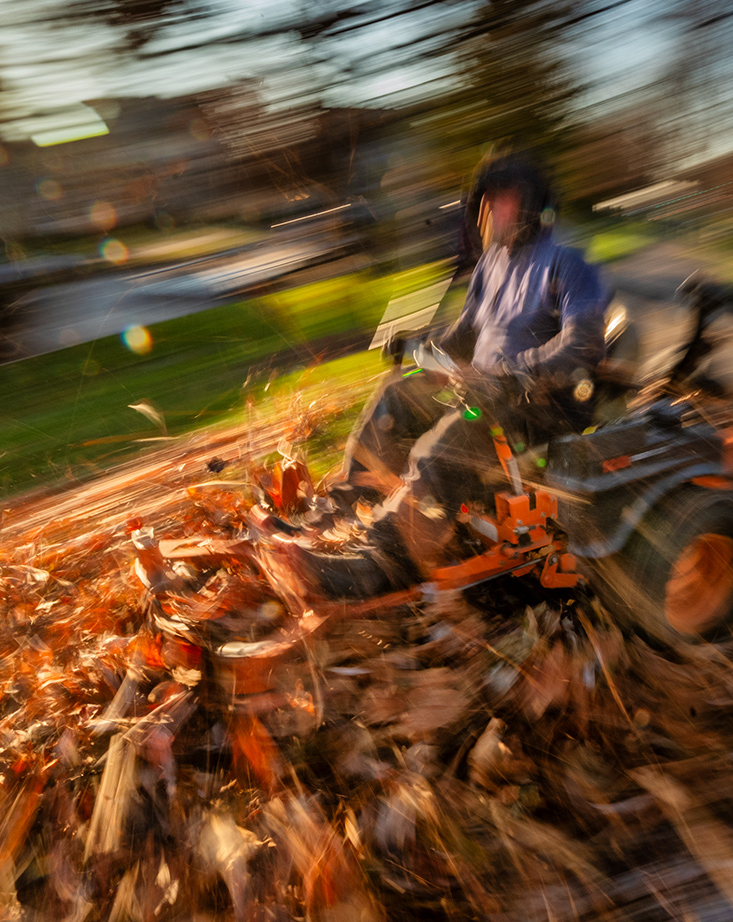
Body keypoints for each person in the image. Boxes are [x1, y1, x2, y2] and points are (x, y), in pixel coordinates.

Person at [257, 153, 611, 601]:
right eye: (485, 203)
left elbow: (583, 347)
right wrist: (420, 346)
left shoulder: (568, 263)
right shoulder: (492, 265)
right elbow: (465, 335)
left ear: (531, 204)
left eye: (503, 201)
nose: (490, 214)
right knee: (397, 394)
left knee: (451, 437)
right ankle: (343, 512)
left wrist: (509, 375)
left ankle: (375, 562)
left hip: (542, 404)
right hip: (486, 390)